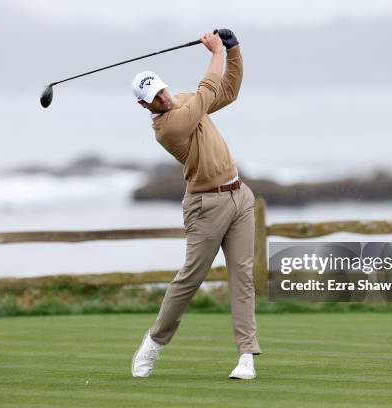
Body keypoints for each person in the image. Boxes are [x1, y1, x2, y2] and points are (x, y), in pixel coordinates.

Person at [130, 29, 260, 380]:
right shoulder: (167, 128)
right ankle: (154, 343)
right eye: (154, 98)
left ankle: (246, 355)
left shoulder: (184, 99)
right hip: (205, 205)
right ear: (144, 106)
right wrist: (215, 52)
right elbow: (206, 91)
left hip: (239, 196)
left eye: (161, 89)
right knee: (189, 280)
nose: (162, 98)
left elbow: (227, 90)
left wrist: (233, 51)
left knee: (243, 277)